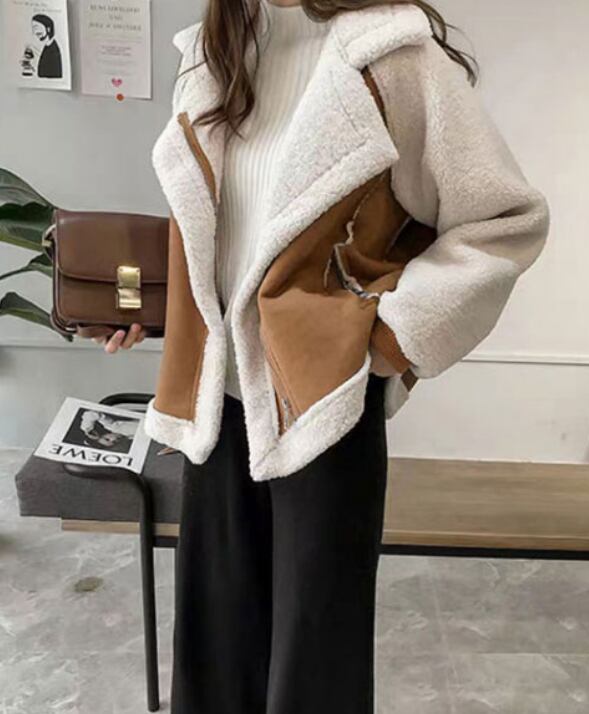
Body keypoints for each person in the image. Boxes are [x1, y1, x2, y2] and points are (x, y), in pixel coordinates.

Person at [80, 1, 550, 711]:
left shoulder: (391, 56)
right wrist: (149, 315)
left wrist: (387, 342)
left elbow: (504, 221)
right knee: (212, 660)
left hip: (324, 407)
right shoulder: (212, 53)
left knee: (315, 668)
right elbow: (227, 238)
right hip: (217, 408)